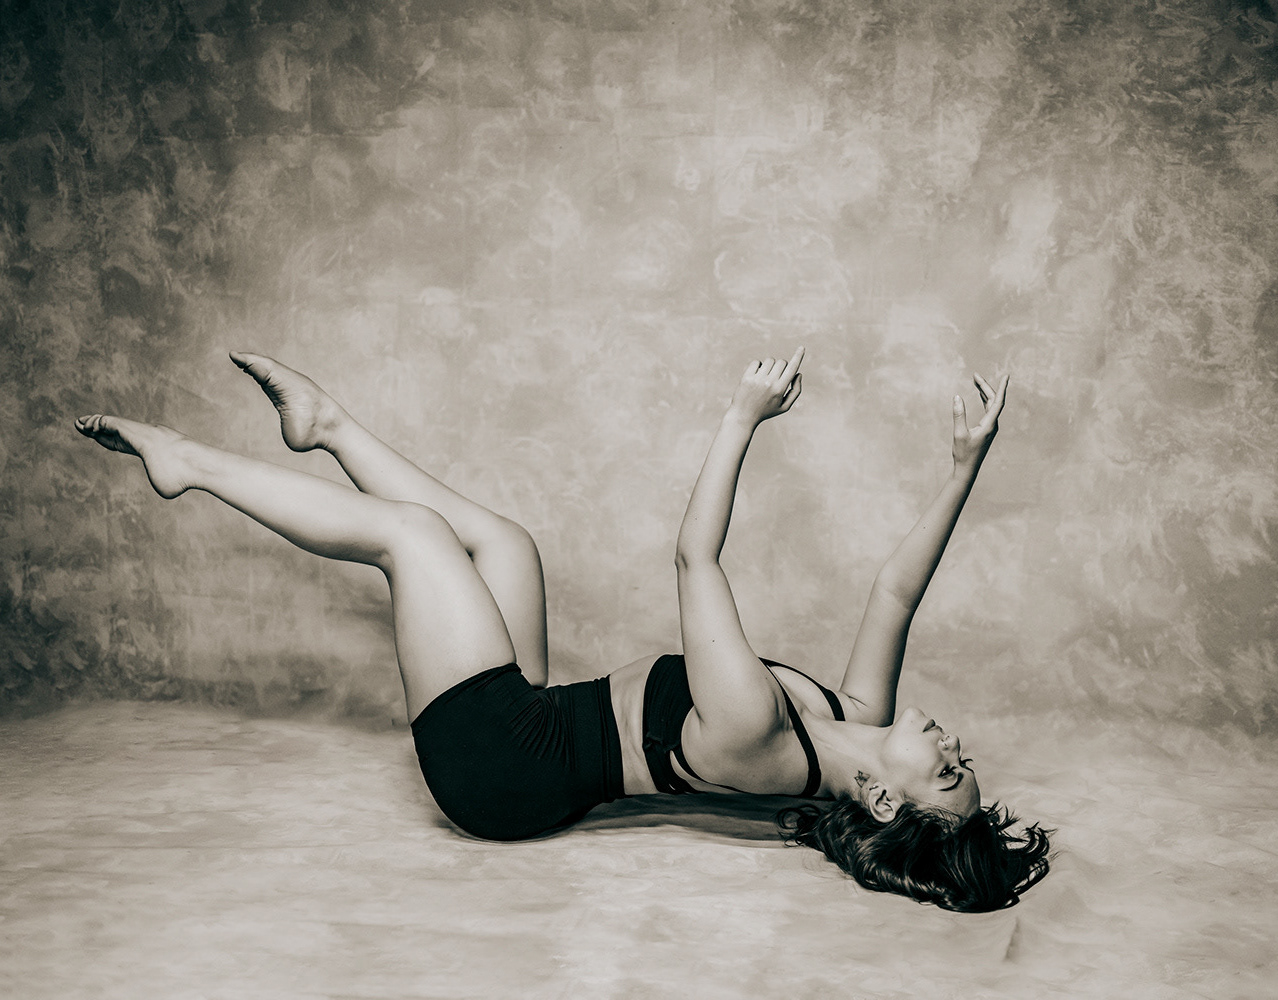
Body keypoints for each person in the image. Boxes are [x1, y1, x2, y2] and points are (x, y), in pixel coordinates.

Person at [75, 347, 1051, 912]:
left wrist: (742, 417)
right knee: (509, 546)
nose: (954, 748)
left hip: (501, 768)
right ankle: (325, 425)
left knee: (414, 539)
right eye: (961, 764)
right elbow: (895, 593)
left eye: (947, 774)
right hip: (540, 717)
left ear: (879, 796)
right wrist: (966, 462)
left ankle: (188, 464)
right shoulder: (854, 717)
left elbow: (695, 559)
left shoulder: (760, 731)